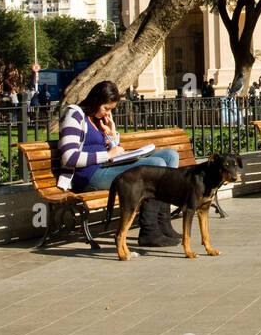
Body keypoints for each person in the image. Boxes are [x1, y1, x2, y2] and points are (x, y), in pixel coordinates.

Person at [58, 80, 181, 247]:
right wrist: (108, 155)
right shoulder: (75, 115)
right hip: (89, 176)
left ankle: (163, 222)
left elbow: (110, 150)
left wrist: (112, 131)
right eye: (106, 108)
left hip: (106, 168)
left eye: (111, 109)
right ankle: (149, 230)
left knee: (170, 155)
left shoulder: (97, 119)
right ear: (96, 100)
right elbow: (69, 157)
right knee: (157, 163)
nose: (107, 113)